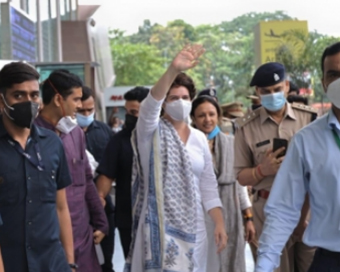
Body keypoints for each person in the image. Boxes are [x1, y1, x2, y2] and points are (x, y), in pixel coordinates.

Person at [124, 45, 227, 272]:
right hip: (158, 229)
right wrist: (173, 69)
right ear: (164, 103)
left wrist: (219, 222)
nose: (180, 101)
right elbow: (149, 106)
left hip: (196, 229)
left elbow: (208, 185)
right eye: (173, 97)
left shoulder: (200, 138)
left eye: (185, 97)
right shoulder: (149, 132)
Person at [255, 42, 340, 272]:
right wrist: (263, 266)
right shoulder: (307, 140)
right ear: (323, 82)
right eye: (334, 75)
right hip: (331, 261)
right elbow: (283, 208)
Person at [234, 62, 317, 272]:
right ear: (257, 93)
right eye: (266, 92)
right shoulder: (246, 127)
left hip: (307, 209)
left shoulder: (309, 119)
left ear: (287, 87)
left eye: (277, 89)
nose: (272, 95)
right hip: (267, 211)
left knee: (312, 266)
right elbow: (241, 177)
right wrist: (261, 170)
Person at [0, 62, 75, 271]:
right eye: (19, 95)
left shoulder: (52, 143)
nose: (29, 102)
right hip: (11, 261)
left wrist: (70, 262)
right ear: (1, 101)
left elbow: (61, 207)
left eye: (34, 95)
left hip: (52, 262)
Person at [35, 69, 108, 272]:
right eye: (76, 100)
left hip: (83, 236)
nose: (79, 105)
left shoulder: (75, 133)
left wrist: (101, 222)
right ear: (59, 99)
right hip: (48, 239)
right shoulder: (32, 136)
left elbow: (85, 180)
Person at [190, 95, 255, 272]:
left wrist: (248, 218)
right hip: (199, 215)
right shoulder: (187, 146)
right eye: (201, 115)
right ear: (193, 118)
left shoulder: (232, 144)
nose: (207, 119)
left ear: (218, 116)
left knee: (231, 261)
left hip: (230, 213)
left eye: (211, 114)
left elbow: (239, 184)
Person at [96, 86, 150, 258]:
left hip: (158, 217)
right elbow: (104, 180)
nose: (129, 117)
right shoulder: (118, 142)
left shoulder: (162, 138)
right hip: (128, 218)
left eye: (134, 112)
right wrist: (98, 208)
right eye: (127, 111)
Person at [76, 86, 115, 272]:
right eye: (81, 111)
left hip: (102, 205)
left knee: (105, 262)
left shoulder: (105, 132)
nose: (85, 114)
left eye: (89, 110)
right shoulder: (64, 135)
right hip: (75, 207)